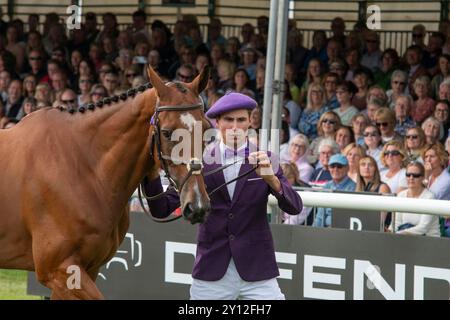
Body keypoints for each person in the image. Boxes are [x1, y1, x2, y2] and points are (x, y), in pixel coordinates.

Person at [144, 92, 302, 300]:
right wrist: (151, 173)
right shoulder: (198, 160)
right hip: (212, 271)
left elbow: (295, 207)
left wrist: (271, 179)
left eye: (241, 120)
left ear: (250, 122)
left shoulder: (267, 159)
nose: (235, 126)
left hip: (258, 272)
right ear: (217, 123)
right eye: (229, 120)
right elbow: (161, 208)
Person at [389, 162, 440, 237]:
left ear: (422, 177)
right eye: (408, 175)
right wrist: (389, 232)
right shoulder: (401, 195)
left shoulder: (429, 197)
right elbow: (396, 222)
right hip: (406, 238)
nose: (411, 178)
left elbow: (423, 228)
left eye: (416, 175)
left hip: (429, 240)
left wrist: (399, 233)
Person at [313, 154, 356, 227]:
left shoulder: (354, 187)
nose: (335, 169)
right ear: (329, 168)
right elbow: (320, 215)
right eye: (332, 166)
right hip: (326, 230)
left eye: (339, 166)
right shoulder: (327, 186)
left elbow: (347, 216)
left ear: (347, 168)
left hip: (343, 230)